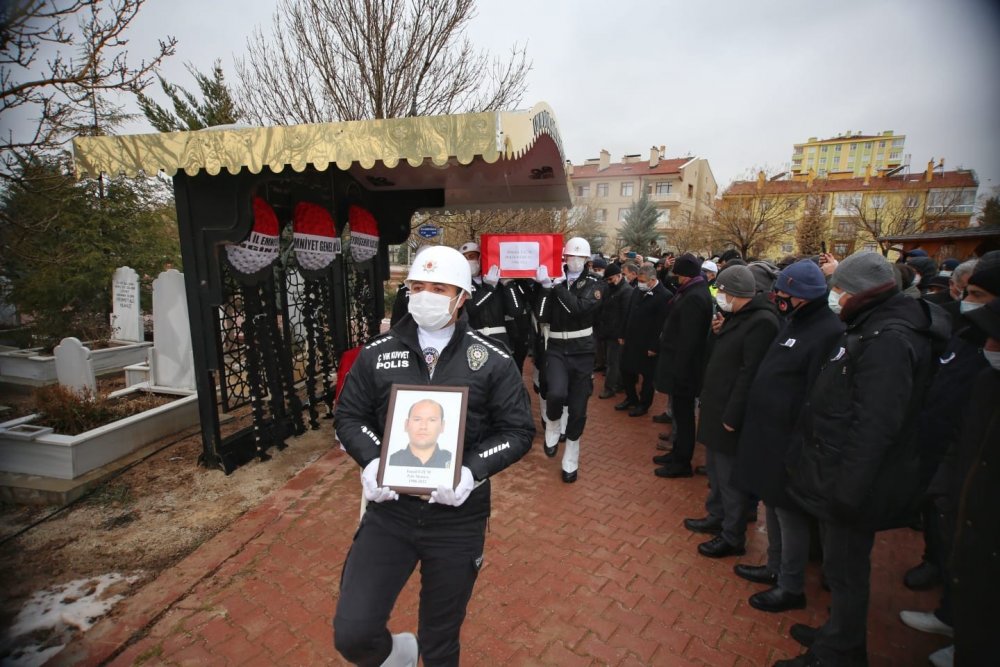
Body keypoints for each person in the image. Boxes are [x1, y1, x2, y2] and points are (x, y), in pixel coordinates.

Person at [333, 245, 535, 666]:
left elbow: (517, 431)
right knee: (353, 633)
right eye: (417, 286)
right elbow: (349, 416)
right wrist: (373, 460)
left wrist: (471, 471)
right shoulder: (377, 353)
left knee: (440, 640)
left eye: (438, 289)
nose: (425, 296)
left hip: (457, 518)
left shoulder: (492, 359)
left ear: (462, 297)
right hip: (390, 512)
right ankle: (400, 655)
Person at [780, 251, 949, 667]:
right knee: (839, 567)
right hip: (837, 472)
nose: (833, 296)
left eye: (837, 288)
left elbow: (875, 426)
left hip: (852, 483)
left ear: (860, 292)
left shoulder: (888, 339)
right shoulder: (868, 324)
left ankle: (840, 652)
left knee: (846, 570)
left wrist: (847, 492)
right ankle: (838, 633)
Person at [730, 260, 844, 612]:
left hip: (791, 440)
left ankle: (790, 585)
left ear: (802, 296)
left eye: (782, 293)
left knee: (790, 516)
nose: (776, 297)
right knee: (773, 506)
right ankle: (774, 567)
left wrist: (797, 440)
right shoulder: (795, 320)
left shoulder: (826, 331)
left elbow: (815, 393)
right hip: (769, 435)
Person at [683, 265, 780, 558]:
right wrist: (718, 332)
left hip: (729, 414)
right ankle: (716, 515)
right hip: (716, 406)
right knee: (715, 471)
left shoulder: (762, 322)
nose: (719, 296)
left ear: (735, 293)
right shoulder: (737, 316)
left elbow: (749, 373)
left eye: (722, 291)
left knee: (729, 479)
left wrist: (733, 415)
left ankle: (732, 535)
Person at [533, 236, 606, 483]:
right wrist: (545, 288)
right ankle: (553, 424)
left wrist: (557, 288)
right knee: (554, 393)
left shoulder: (595, 283)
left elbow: (579, 309)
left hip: (582, 350)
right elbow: (541, 315)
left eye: (579, 257)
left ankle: (572, 455)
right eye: (570, 256)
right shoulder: (555, 279)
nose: (574, 260)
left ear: (586, 259)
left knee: (578, 408)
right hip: (556, 347)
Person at [652, 253, 714, 477]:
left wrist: (678, 372)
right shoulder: (691, 292)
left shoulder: (695, 297)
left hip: (685, 372)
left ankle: (682, 462)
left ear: (686, 276)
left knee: (685, 417)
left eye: (678, 275)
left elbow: (689, 341)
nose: (675, 279)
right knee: (679, 415)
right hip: (680, 367)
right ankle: (677, 453)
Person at [617, 263, 672, 417]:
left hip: (648, 344)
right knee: (626, 369)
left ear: (652, 280)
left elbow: (663, 324)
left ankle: (644, 404)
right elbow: (628, 313)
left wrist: (655, 346)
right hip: (631, 339)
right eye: (639, 280)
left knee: (648, 377)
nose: (640, 283)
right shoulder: (637, 291)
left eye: (643, 281)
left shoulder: (665, 296)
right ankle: (631, 398)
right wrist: (622, 333)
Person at [597, 263, 632, 399]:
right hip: (608, 330)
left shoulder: (626, 291)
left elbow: (625, 315)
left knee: (613, 362)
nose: (609, 282)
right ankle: (618, 384)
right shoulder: (610, 288)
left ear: (619, 276)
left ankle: (610, 388)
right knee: (612, 361)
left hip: (617, 334)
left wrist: (621, 334)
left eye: (611, 279)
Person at [388, 399, 453, 469]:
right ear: (406, 425)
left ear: (442, 426)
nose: (423, 427)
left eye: (432, 420)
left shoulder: (453, 461)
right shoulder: (391, 461)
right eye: (417, 419)